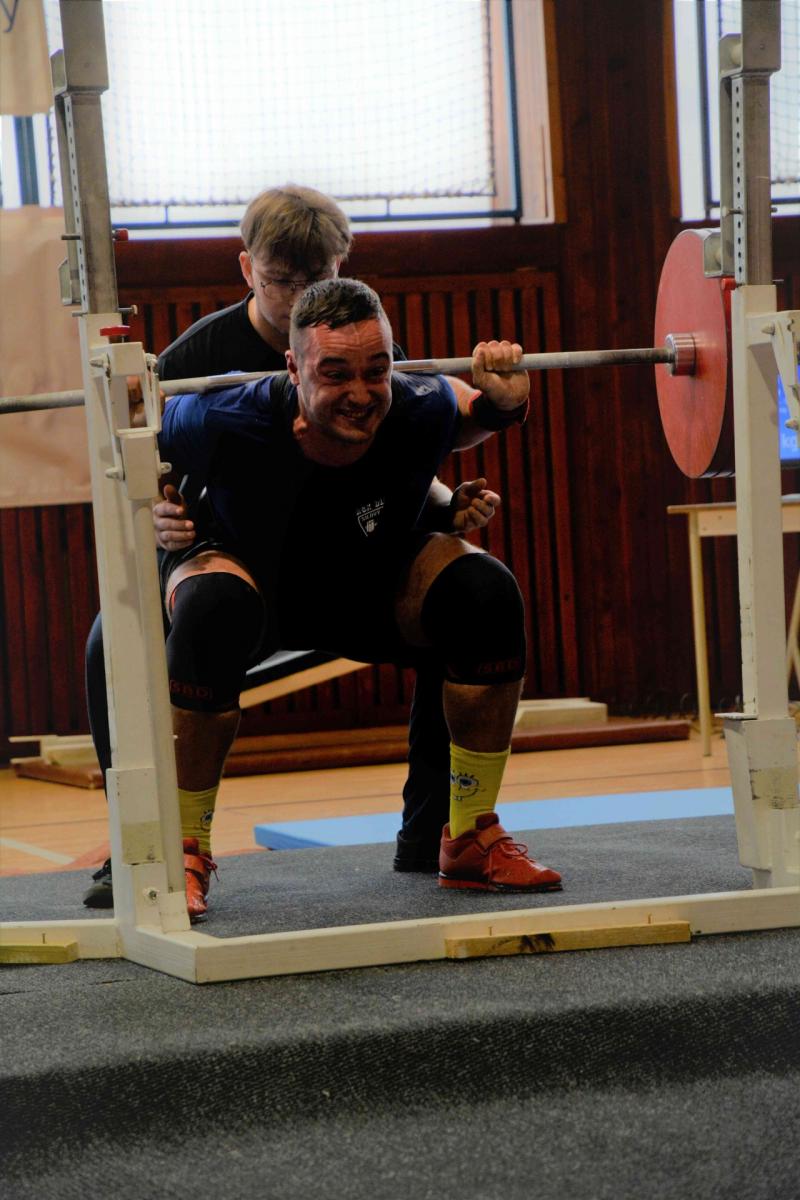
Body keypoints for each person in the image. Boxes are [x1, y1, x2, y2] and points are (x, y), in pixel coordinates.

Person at [83, 185, 500, 909]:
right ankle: (139, 848)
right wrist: (155, 514)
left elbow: (395, 457)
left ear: (343, 267)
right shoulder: (198, 355)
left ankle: (434, 833)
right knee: (109, 643)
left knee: (463, 603)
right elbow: (130, 460)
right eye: (282, 281)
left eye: (319, 278)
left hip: (338, 558)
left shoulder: (359, 346)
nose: (301, 297)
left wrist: (443, 504)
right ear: (248, 268)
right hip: (224, 556)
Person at [140, 276, 562, 918]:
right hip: (252, 592)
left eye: (376, 371)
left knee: (485, 592)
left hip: (368, 587)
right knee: (210, 607)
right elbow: (138, 439)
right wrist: (155, 509)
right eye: (335, 374)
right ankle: (183, 852)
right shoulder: (221, 415)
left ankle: (470, 836)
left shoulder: (418, 403)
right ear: (292, 368)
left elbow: (470, 411)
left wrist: (506, 403)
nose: (360, 394)